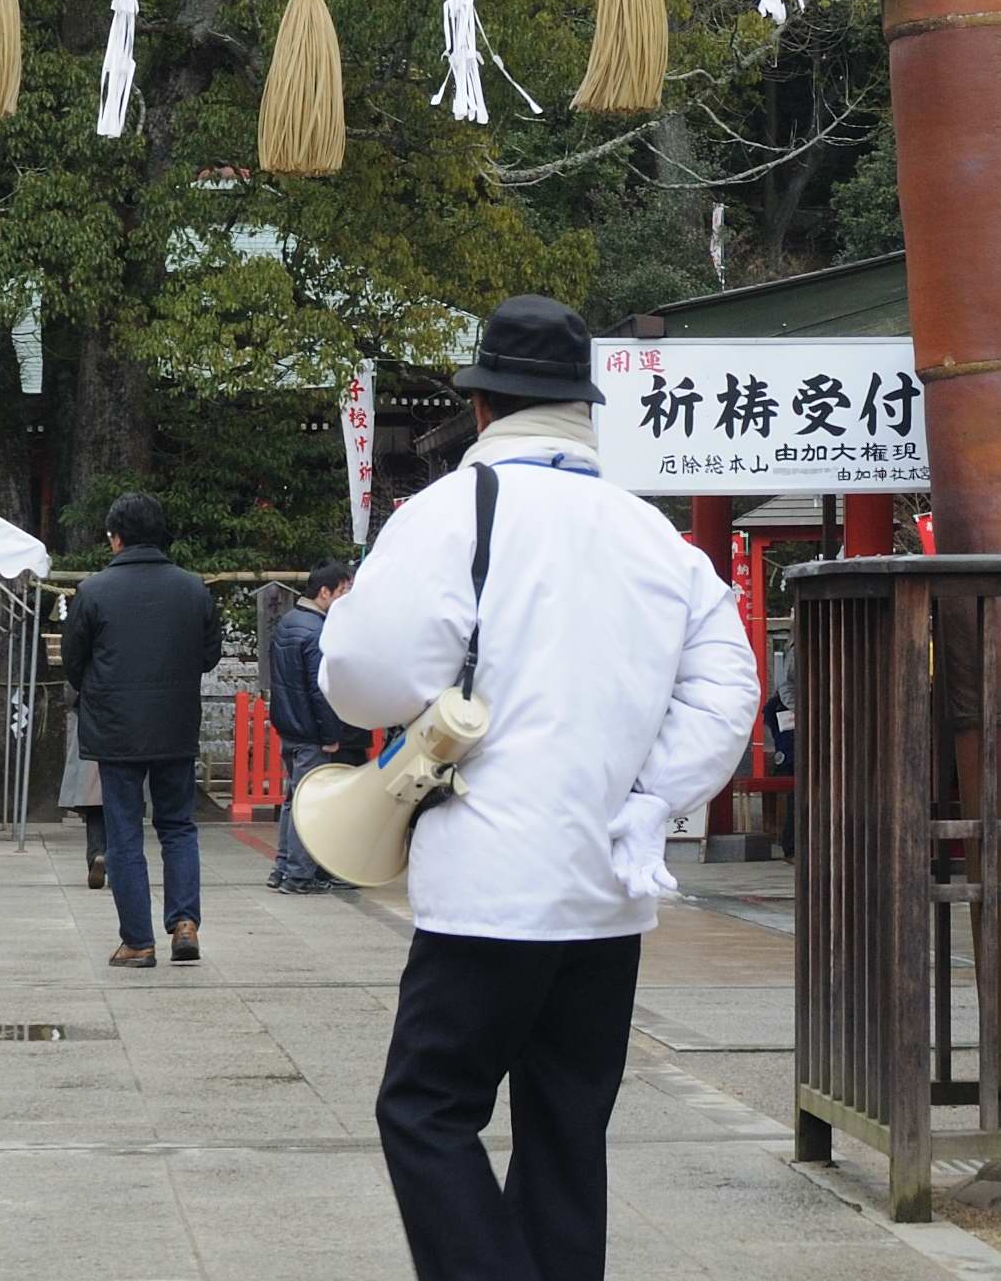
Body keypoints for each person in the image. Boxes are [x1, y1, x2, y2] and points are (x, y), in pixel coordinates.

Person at [323, 296, 756, 1281]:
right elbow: (729, 684)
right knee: (566, 1125)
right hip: (609, 883)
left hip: (490, 876)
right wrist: (653, 796)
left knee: (427, 1106)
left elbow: (365, 676)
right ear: (581, 409)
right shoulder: (655, 535)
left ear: (483, 411)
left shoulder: (447, 515)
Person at [59, 492, 225, 968]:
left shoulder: (93, 591)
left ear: (116, 537)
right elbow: (209, 656)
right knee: (178, 826)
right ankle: (185, 924)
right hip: (175, 723)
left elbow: (74, 661)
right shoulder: (194, 589)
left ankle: (138, 940)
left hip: (116, 730)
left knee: (124, 832)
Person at [266, 560, 369, 893]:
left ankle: (282, 867)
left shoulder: (288, 623)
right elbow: (319, 690)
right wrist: (330, 736)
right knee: (307, 803)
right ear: (325, 592)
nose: (346, 598)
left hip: (290, 728)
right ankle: (299, 875)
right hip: (311, 732)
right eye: (343, 591)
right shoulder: (317, 631)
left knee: (292, 799)